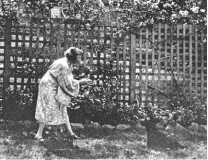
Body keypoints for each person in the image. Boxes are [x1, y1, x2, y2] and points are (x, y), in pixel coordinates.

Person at [34, 47, 92, 142]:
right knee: (47, 108)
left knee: (62, 106)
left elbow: (66, 80)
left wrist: (77, 82)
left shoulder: (68, 63)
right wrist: (81, 82)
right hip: (48, 85)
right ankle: (38, 134)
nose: (80, 59)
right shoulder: (64, 65)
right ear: (73, 57)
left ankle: (71, 133)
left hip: (55, 84)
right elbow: (67, 83)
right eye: (78, 57)